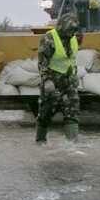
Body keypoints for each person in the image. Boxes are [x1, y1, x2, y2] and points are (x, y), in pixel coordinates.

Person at [36, 13, 81, 143]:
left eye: (73, 31)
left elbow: (72, 59)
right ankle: (40, 140)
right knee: (46, 113)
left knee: (72, 112)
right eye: (69, 30)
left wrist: (74, 74)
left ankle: (72, 146)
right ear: (62, 27)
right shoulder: (49, 38)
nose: (71, 34)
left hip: (69, 82)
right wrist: (47, 80)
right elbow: (42, 62)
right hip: (53, 83)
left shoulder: (73, 38)